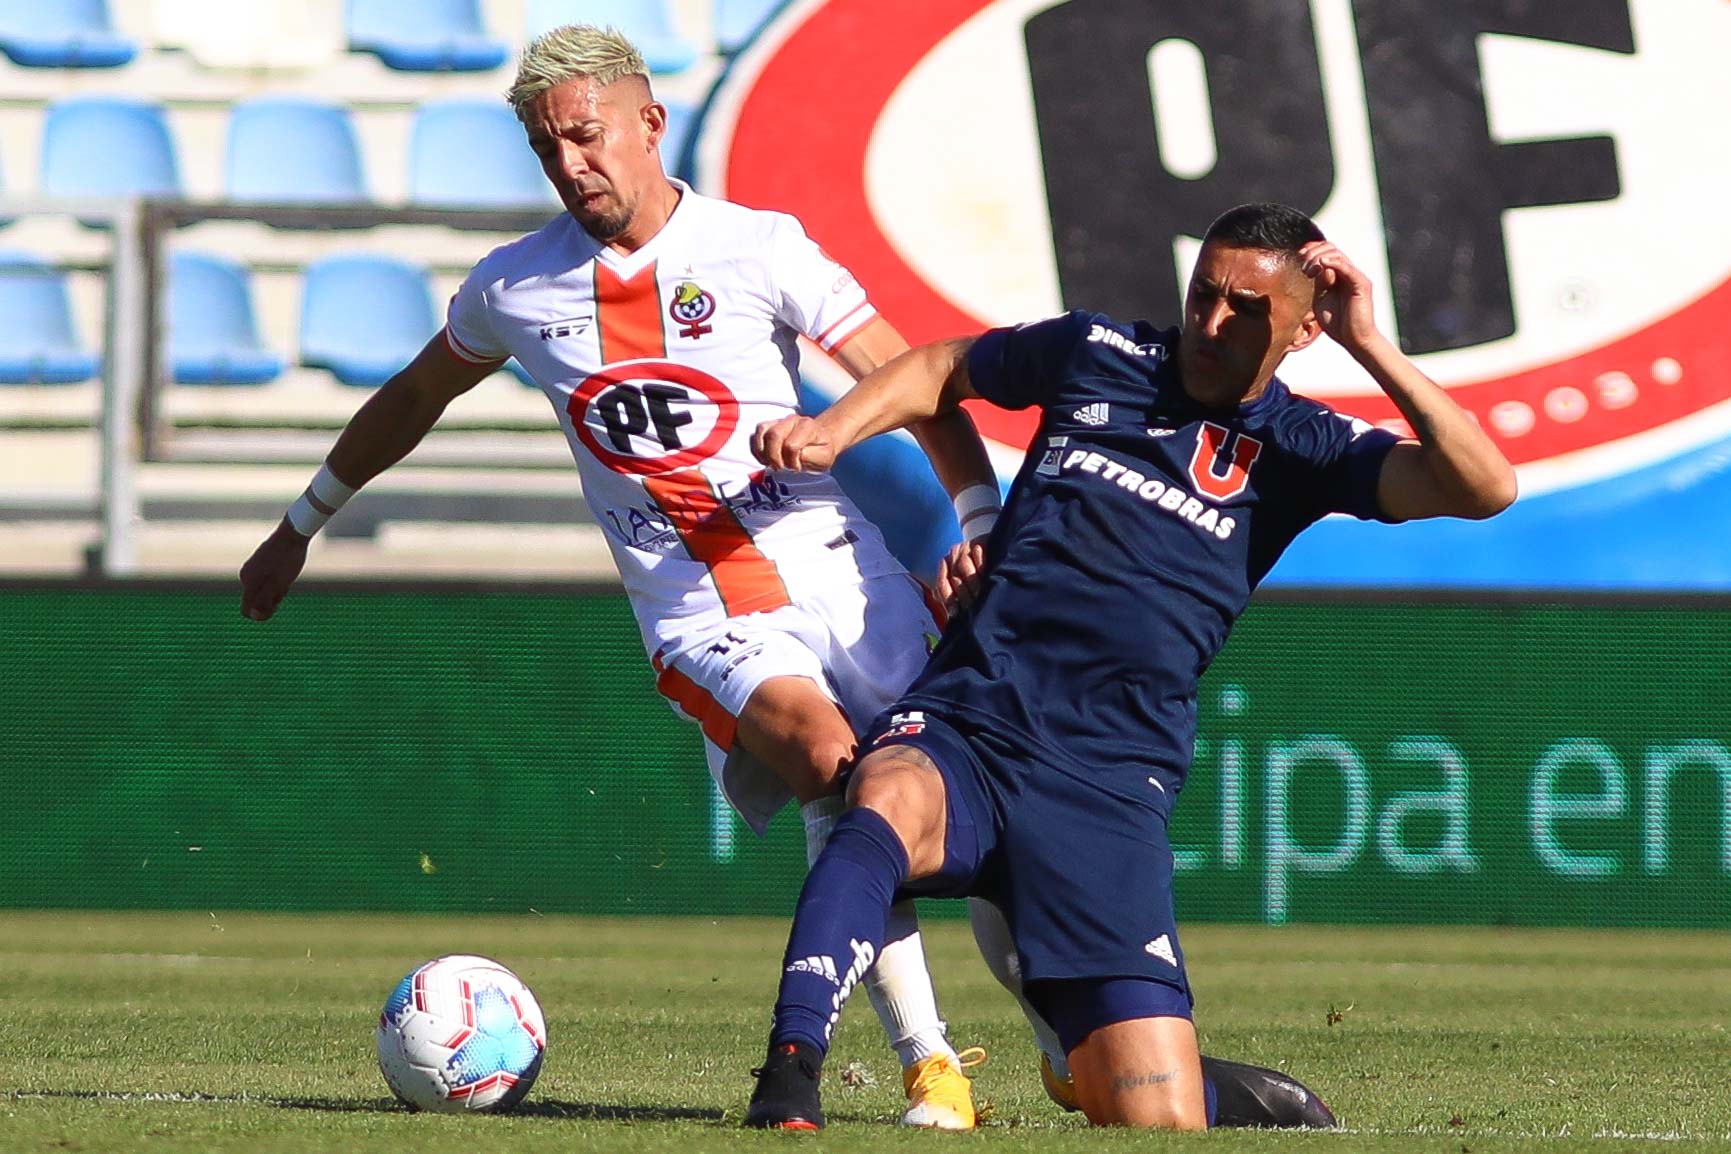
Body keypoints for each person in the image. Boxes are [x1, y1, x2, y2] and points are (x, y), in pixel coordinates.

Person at [236, 23, 1003, 1129]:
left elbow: (916, 379)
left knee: (965, 803)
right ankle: (929, 1058)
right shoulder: (517, 286)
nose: (573, 165)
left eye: (588, 137)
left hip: (846, 575)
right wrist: (303, 520)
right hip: (700, 613)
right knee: (834, 761)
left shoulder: (760, 247)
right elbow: (413, 395)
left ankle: (1065, 1039)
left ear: (649, 122)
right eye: (551, 150)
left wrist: (973, 520)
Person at [743, 202, 1518, 1129]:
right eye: (1203, 295)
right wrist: (838, 435)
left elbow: (1484, 486)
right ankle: (790, 1072)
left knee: (1155, 1121)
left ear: (1305, 325)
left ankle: (1200, 1083)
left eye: (1245, 309)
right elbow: (944, 367)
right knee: (883, 795)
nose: (1211, 323)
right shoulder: (1097, 351)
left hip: (1109, 782)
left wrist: (1370, 347)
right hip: (975, 719)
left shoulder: (1302, 449)